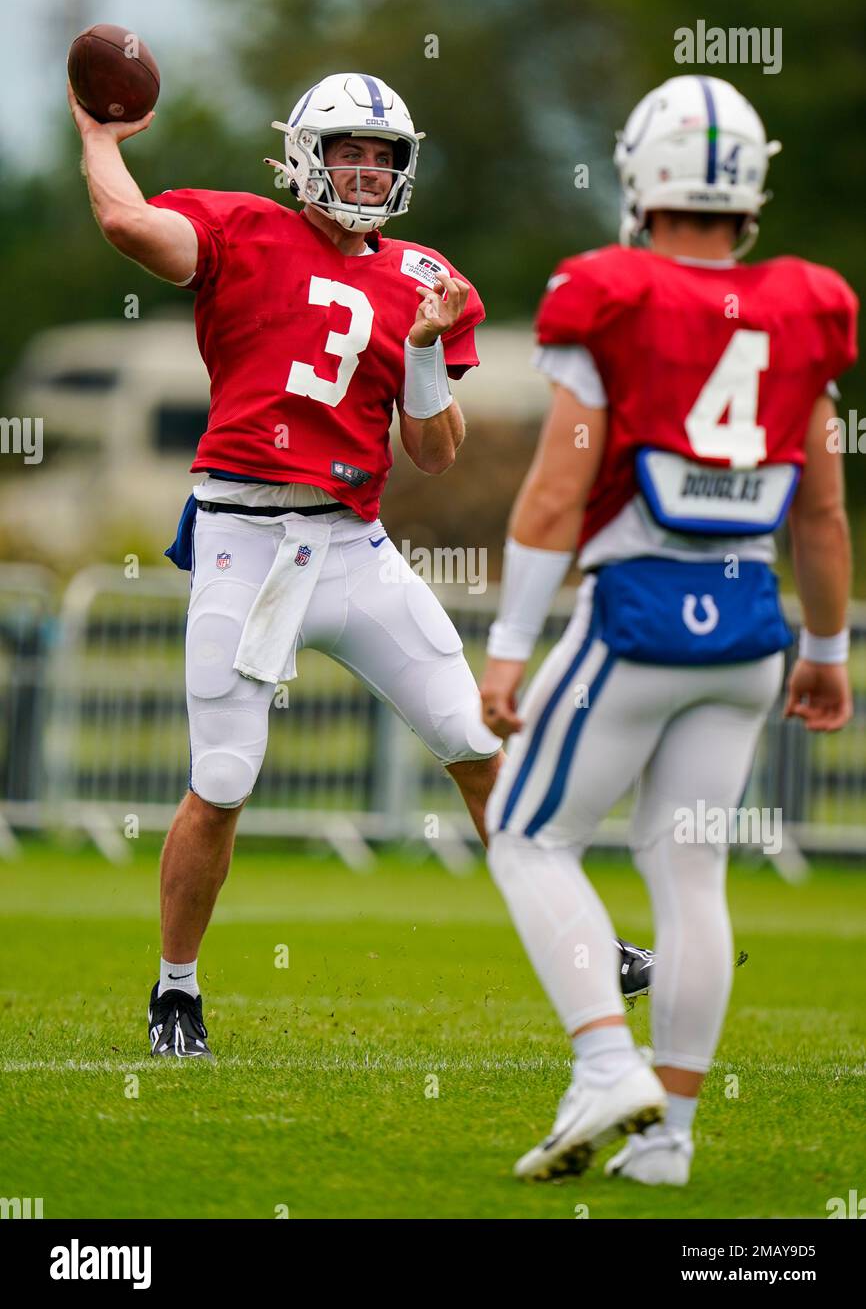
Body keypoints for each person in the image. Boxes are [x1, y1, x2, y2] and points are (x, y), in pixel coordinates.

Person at [69, 69, 656, 1060]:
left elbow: (431, 450)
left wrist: (425, 350)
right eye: (349, 148)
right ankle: (177, 992)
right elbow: (132, 228)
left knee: (477, 746)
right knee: (222, 776)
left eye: (384, 155)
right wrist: (98, 137)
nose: (368, 169)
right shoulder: (243, 228)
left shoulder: (426, 277)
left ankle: (587, 943)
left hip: (352, 542)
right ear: (304, 154)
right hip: (243, 538)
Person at [479, 75, 857, 1185]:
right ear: (750, 186)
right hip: (747, 630)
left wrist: (508, 639)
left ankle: (604, 1063)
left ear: (639, 177)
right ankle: (670, 1143)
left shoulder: (611, 292)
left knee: (524, 833)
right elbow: (823, 509)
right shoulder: (804, 303)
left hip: (635, 614)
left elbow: (557, 488)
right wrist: (827, 655)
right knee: (689, 871)